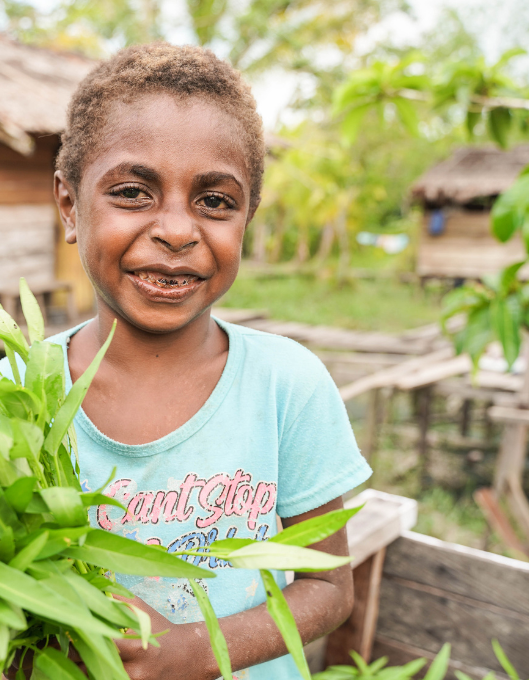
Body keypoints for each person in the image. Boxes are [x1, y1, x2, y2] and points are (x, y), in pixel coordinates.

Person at [47, 43, 372, 680]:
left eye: (215, 202)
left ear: (247, 217)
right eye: (133, 193)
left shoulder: (286, 385)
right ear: (69, 205)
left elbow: (328, 588)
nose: (176, 230)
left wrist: (200, 650)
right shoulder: (13, 396)